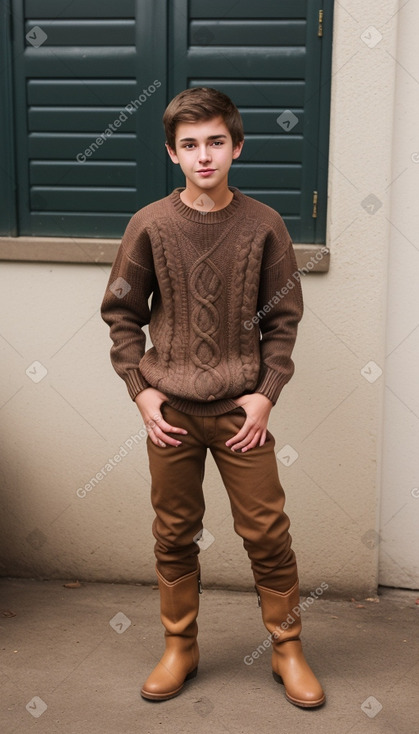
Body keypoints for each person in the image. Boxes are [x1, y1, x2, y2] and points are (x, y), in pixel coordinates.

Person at [101, 87, 325, 708]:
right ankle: (180, 646)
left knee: (267, 531)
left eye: (216, 142)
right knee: (174, 532)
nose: (205, 155)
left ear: (237, 146)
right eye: (190, 145)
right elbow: (122, 314)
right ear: (172, 152)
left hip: (239, 411)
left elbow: (283, 322)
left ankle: (287, 650)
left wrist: (266, 395)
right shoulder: (148, 224)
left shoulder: (265, 226)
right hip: (169, 412)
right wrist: (141, 392)